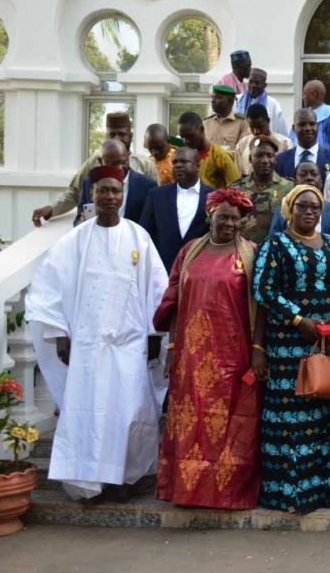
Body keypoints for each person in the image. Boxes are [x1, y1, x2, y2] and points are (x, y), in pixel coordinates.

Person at [26, 165, 168, 501]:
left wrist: (152, 334)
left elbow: (156, 290)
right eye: (103, 190)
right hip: (88, 346)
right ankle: (91, 481)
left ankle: (125, 479)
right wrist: (61, 334)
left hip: (129, 343)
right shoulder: (75, 240)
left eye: (115, 191)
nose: (109, 197)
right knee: (90, 411)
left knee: (130, 412)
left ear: (122, 195)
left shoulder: (138, 237)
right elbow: (50, 289)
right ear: (92, 194)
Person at [154, 189, 264, 509]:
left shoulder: (251, 255)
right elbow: (173, 302)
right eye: (222, 217)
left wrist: (258, 350)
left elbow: (261, 306)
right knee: (191, 422)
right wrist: (173, 347)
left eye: (234, 218)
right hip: (191, 355)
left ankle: (227, 493)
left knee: (231, 423)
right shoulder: (189, 252)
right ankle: (187, 491)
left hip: (233, 354)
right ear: (210, 217)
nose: (228, 223)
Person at [253, 184, 330, 513]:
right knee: (292, 418)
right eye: (302, 206)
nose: (309, 212)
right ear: (289, 209)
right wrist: (299, 321)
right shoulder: (275, 244)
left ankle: (328, 490)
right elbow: (263, 289)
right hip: (288, 345)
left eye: (314, 207)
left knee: (325, 410)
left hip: (325, 341)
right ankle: (291, 493)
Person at [32, 112, 158, 226]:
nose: (117, 139)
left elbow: (154, 206)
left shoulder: (145, 165)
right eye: (112, 134)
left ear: (130, 136)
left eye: (121, 134)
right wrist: (52, 209)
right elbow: (75, 192)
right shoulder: (95, 161)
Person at [139, 147, 214, 271]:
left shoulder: (213, 196)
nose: (178, 165)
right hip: (162, 270)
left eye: (184, 162)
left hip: (199, 271)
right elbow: (145, 233)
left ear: (197, 165)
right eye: (175, 162)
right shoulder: (156, 195)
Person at [75, 139, 157, 226]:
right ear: (100, 162)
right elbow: (78, 220)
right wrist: (82, 222)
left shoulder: (148, 186)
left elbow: (152, 224)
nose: (119, 168)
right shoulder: (89, 183)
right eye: (113, 164)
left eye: (124, 162)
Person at [230, 137, 293, 243]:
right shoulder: (236, 189)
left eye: (269, 156)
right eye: (259, 156)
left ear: (275, 160)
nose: (264, 161)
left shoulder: (289, 187)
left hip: (278, 249)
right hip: (244, 249)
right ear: (250, 159)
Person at [269, 161, 330, 237]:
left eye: (314, 174)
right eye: (303, 175)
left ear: (321, 182)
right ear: (294, 182)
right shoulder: (281, 212)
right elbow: (273, 240)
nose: (309, 177)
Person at [276, 107, 330, 181]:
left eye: (312, 124)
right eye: (302, 124)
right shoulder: (280, 161)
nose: (307, 128)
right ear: (293, 128)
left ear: (317, 127)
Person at [177, 111, 240, 189]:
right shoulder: (186, 158)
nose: (186, 141)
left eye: (189, 136)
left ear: (201, 129)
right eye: (182, 137)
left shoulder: (220, 155)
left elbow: (236, 188)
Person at [236, 104, 293, 175]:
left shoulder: (285, 143)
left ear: (268, 121)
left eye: (260, 127)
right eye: (252, 127)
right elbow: (238, 173)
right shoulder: (242, 144)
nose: (256, 131)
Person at [235, 68, 288, 137]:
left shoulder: (273, 104)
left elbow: (282, 133)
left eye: (257, 83)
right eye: (251, 82)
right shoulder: (237, 100)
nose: (253, 85)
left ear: (265, 85)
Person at [303, 79, 330, 157]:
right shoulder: (304, 114)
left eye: (305, 94)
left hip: (326, 164)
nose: (303, 97)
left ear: (314, 94)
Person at [203, 84, 249, 153]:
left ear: (230, 101)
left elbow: (242, 151)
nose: (213, 101)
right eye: (212, 98)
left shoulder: (242, 123)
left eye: (218, 98)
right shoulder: (206, 123)